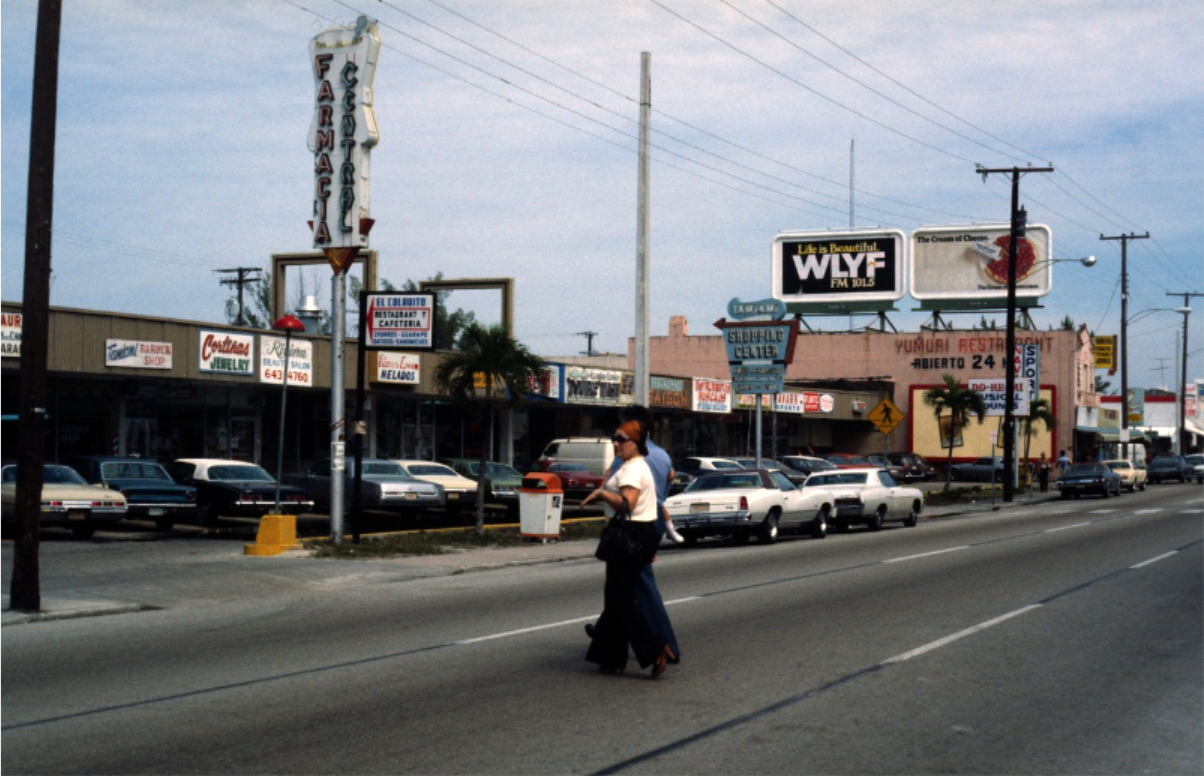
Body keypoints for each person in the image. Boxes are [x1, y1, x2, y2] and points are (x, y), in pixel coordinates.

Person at [586, 405, 681, 663]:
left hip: (632, 525)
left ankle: (661, 646)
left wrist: (603, 492)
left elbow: (624, 497)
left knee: (631, 593)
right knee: (626, 590)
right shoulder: (662, 456)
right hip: (653, 520)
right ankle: (608, 648)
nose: (616, 440)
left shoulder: (628, 460)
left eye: (621, 431)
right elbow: (666, 485)